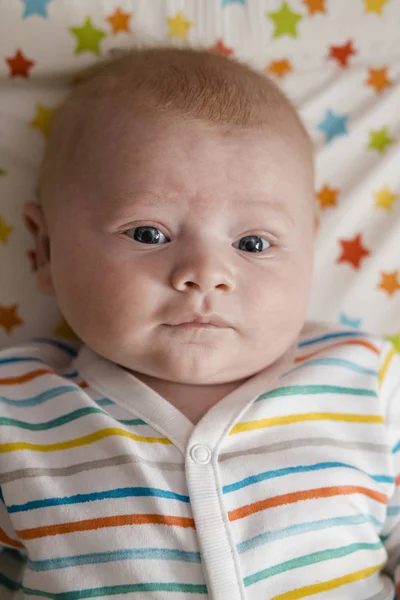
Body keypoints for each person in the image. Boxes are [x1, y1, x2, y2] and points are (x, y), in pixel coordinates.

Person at [0, 46, 399, 600]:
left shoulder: (368, 384)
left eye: (253, 243)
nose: (206, 274)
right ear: (43, 249)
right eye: (148, 234)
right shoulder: (17, 408)